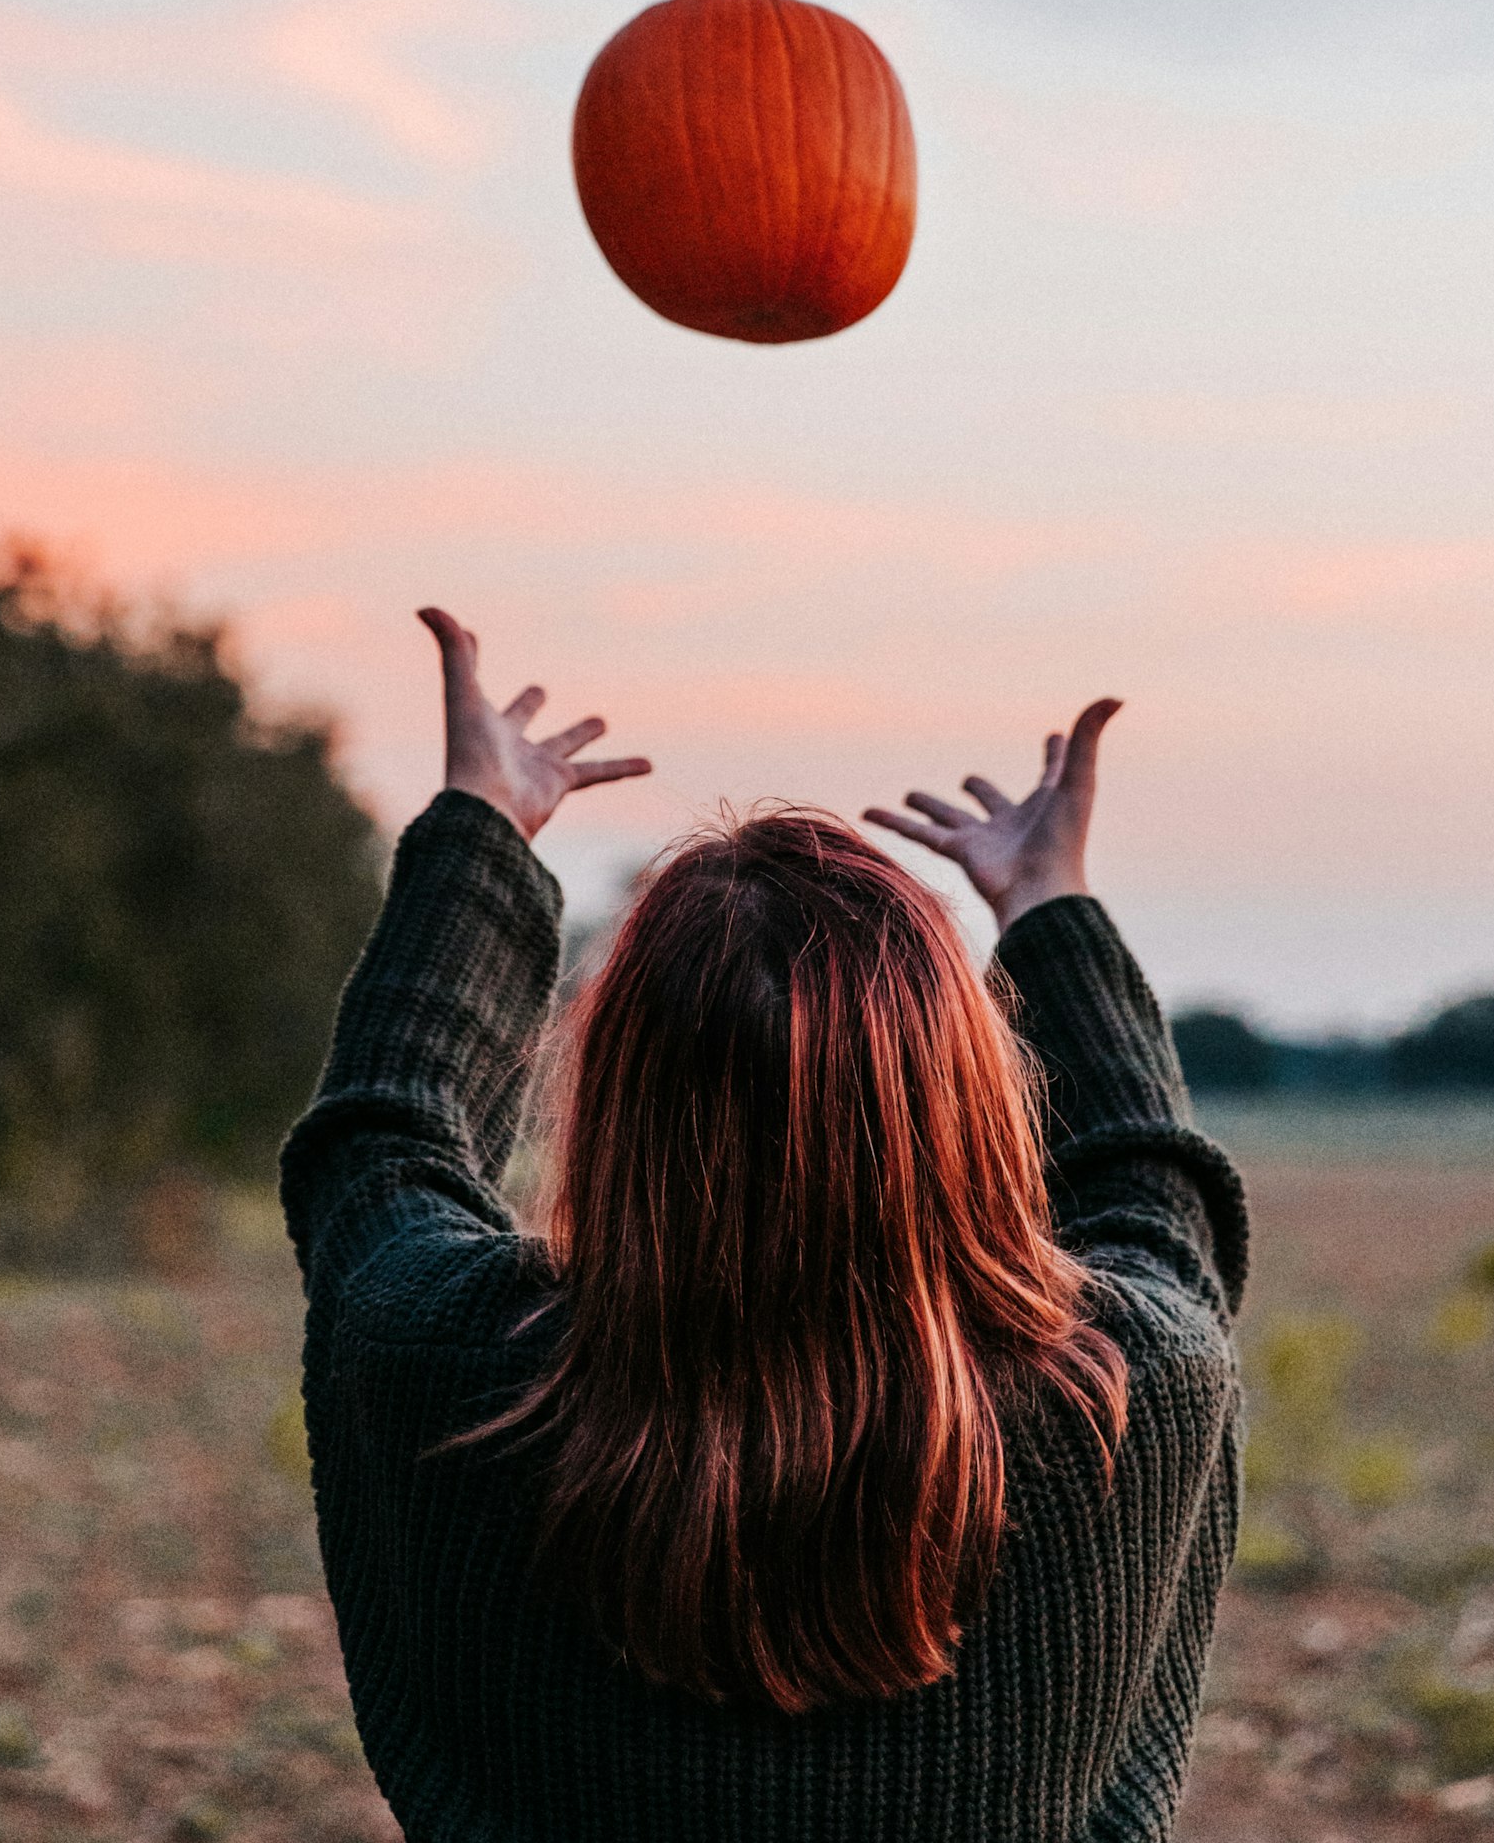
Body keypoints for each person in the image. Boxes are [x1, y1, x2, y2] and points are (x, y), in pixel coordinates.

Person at [280, 609, 1247, 1843]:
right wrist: (1048, 909)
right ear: (965, 1090)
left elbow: (378, 1142)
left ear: (616, 1093)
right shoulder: (1129, 1392)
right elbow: (1155, 1197)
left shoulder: (453, 1365)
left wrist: (481, 831)